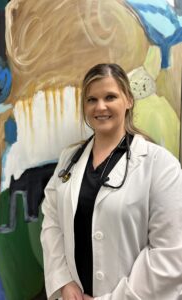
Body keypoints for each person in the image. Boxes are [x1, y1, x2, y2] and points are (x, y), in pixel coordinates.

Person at [40, 63, 182, 300]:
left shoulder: (160, 165)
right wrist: (64, 282)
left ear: (128, 100)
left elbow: (169, 254)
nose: (100, 107)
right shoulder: (68, 160)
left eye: (110, 97)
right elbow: (52, 224)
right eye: (91, 99)